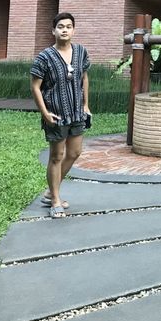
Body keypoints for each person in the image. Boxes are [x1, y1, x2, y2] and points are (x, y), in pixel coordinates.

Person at [30, 12, 91, 218]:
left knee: (74, 153)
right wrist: (45, 113)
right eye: (61, 27)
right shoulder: (44, 57)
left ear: (73, 30)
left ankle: (50, 191)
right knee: (56, 156)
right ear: (53, 31)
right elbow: (35, 87)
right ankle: (55, 200)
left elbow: (84, 78)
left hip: (76, 112)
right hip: (56, 113)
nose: (65, 30)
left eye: (68, 26)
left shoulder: (81, 52)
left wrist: (86, 105)